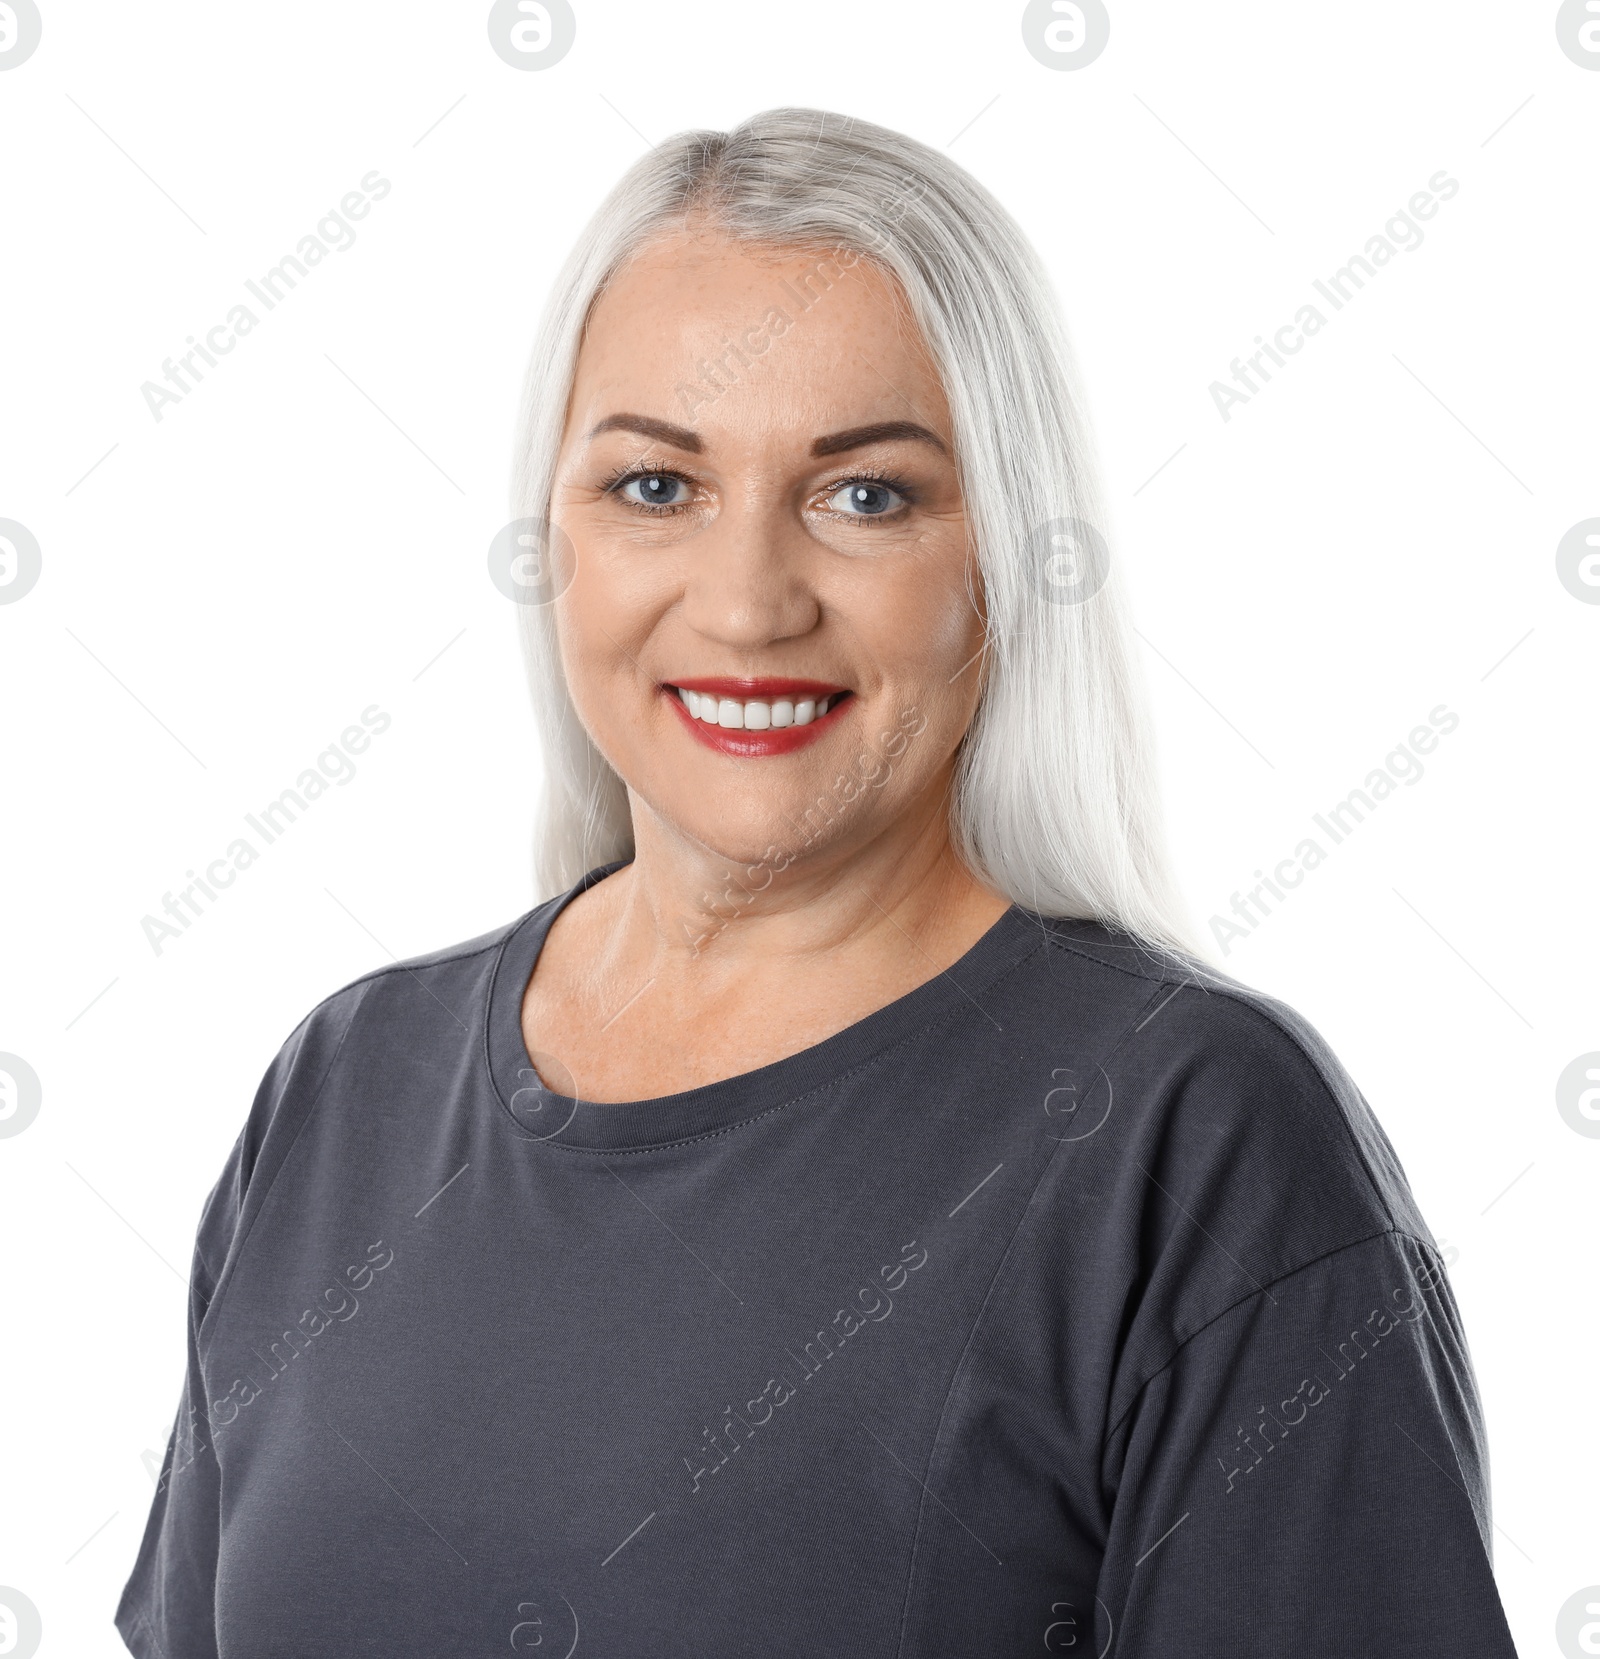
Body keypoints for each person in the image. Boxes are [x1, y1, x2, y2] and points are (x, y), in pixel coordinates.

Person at [118, 108, 1518, 1658]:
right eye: (656, 486)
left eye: (867, 496)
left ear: (1008, 553)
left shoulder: (1195, 1145)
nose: (747, 600)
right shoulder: (346, 1091)